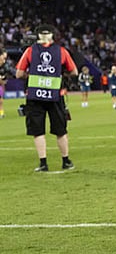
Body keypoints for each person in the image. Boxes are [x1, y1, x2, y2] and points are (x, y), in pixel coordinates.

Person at [15, 25, 78, 172]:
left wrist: (31, 76)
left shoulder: (30, 51)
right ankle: (66, 160)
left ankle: (43, 163)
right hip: (56, 94)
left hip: (35, 96)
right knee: (60, 130)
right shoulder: (61, 51)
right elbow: (74, 71)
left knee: (38, 130)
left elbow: (19, 73)